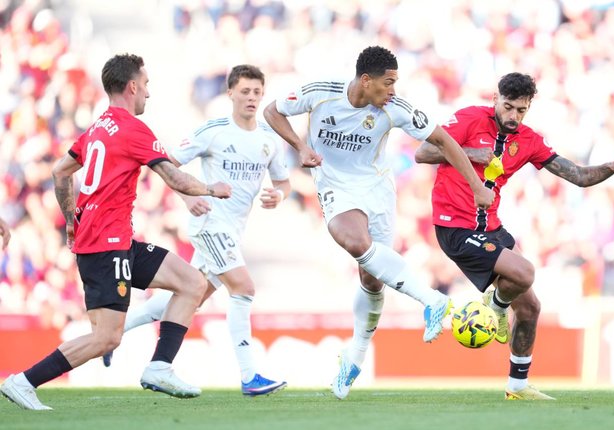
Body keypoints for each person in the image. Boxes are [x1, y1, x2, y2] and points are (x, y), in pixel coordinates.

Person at [0, 53, 232, 410]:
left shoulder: (98, 127)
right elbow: (172, 176)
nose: (148, 93)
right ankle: (23, 381)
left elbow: (61, 171)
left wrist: (71, 221)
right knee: (106, 338)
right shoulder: (132, 128)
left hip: (115, 240)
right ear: (132, 86)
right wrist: (211, 188)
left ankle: (160, 367)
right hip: (106, 246)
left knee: (192, 282)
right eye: (146, 85)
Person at [263, 46, 494, 400]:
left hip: (376, 190)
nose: (393, 90)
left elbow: (443, 141)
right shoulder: (321, 92)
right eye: (388, 83)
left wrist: (477, 186)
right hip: (335, 186)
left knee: (372, 280)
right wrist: (299, 145)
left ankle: (353, 357)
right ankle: (433, 300)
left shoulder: (395, 108)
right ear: (366, 81)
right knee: (354, 241)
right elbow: (272, 111)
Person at [415, 72, 614, 400]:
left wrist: (610, 167)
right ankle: (494, 306)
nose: (513, 116)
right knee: (525, 272)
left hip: (490, 227)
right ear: (495, 99)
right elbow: (423, 153)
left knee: (531, 306)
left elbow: (577, 176)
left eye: (521, 110)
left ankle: (517, 386)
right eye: (508, 107)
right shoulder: (469, 118)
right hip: (455, 227)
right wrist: (469, 153)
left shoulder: (529, 140)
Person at [102, 64, 290, 396]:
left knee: (187, 297)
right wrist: (189, 199)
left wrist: (279, 195)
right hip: (210, 224)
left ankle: (113, 334)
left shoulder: (268, 140)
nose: (251, 97)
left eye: (257, 92)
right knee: (244, 288)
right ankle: (249, 376)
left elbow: (283, 182)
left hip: (233, 231)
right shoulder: (213, 131)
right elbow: (168, 166)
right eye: (245, 91)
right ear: (230, 93)